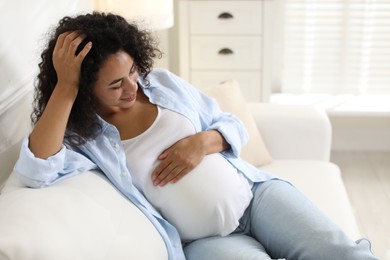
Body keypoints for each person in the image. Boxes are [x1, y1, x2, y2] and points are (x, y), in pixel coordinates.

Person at [15, 12, 378, 260]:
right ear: (85, 89)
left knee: (343, 253)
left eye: (133, 72)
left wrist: (201, 142)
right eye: (115, 84)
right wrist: (65, 86)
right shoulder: (85, 137)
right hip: (206, 241)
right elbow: (36, 171)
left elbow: (230, 123)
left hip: (256, 197)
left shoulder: (162, 85)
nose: (131, 87)